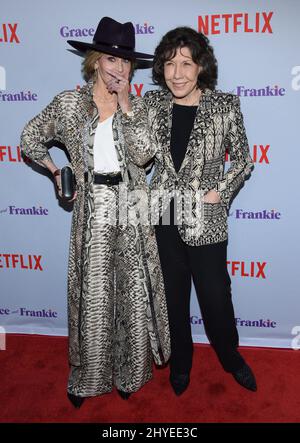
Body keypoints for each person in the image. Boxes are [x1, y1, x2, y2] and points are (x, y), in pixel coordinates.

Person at [20, 16, 170, 408]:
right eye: (110, 59)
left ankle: (129, 372)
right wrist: (56, 172)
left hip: (131, 205)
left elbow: (144, 154)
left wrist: (126, 106)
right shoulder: (70, 104)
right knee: (95, 296)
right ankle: (88, 377)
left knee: (133, 295)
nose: (118, 68)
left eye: (125, 62)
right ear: (94, 60)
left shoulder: (140, 107)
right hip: (93, 209)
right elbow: (29, 138)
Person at [144, 26, 256, 395]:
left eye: (186, 64)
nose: (177, 73)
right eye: (169, 64)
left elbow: (242, 160)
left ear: (200, 67)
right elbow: (137, 154)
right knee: (172, 298)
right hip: (163, 217)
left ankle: (231, 357)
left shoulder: (225, 106)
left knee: (215, 298)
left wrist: (219, 192)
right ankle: (180, 364)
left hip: (206, 222)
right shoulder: (152, 105)